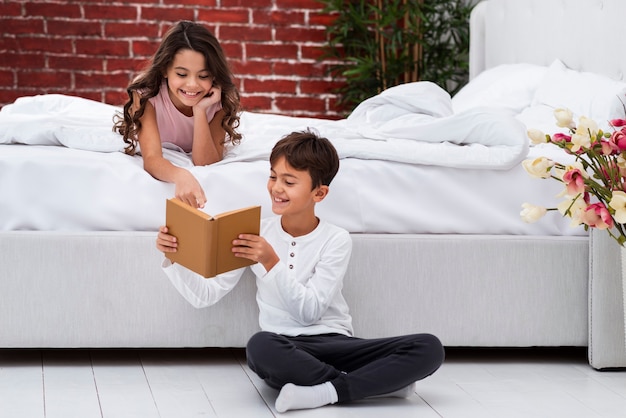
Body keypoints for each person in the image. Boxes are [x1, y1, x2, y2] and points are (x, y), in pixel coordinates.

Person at [156, 130, 444, 413]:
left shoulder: (336, 239)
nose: (276, 188)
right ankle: (376, 384)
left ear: (319, 192)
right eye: (273, 177)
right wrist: (174, 257)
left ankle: (328, 391)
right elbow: (205, 296)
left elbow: (310, 312)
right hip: (285, 346)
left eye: (289, 181)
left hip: (337, 343)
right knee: (260, 346)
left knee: (429, 347)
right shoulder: (254, 232)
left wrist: (271, 262)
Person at [114, 20, 242, 209]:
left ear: (214, 76)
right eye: (182, 74)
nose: (192, 85)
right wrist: (180, 175)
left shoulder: (217, 102)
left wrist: (200, 111)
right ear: (165, 69)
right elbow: (152, 159)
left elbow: (205, 162)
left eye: (203, 76)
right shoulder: (146, 95)